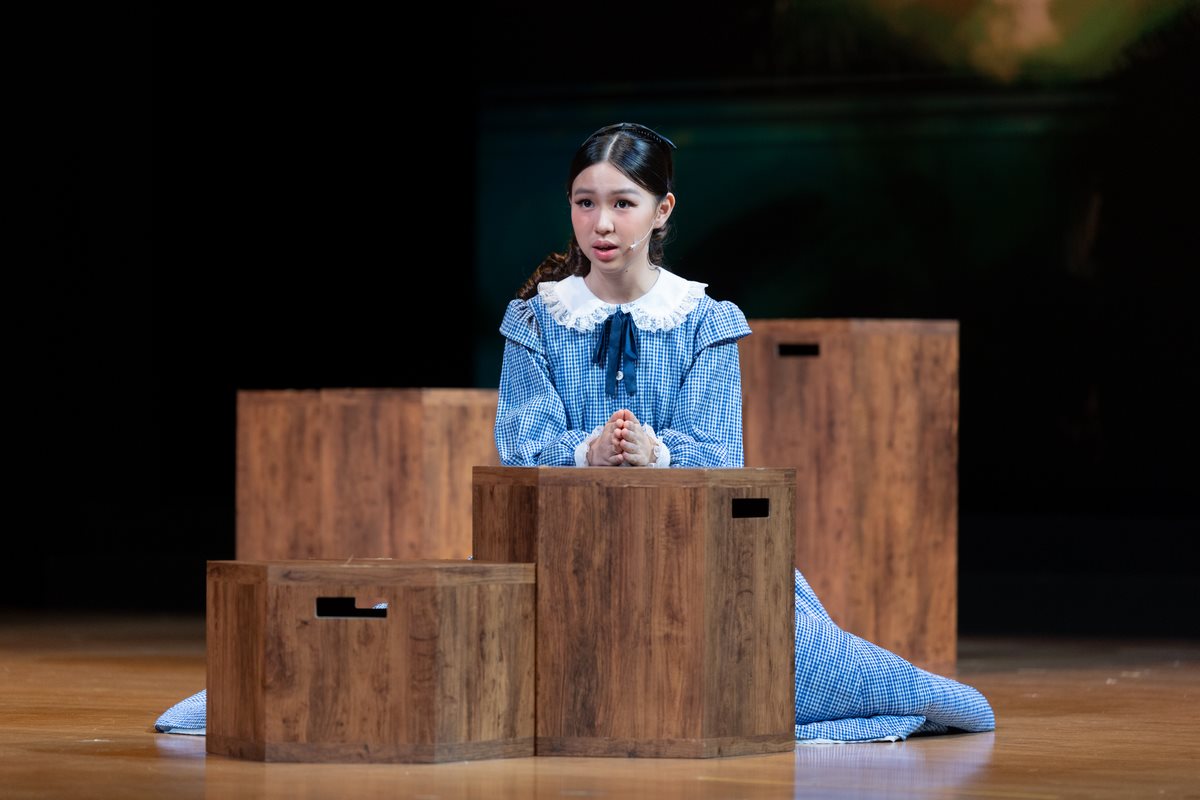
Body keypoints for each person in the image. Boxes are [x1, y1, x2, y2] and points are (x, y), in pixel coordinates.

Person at [155, 122, 995, 743]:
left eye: (623, 204)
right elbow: (519, 438)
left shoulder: (704, 321)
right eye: (586, 203)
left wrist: (656, 453)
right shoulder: (537, 319)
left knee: (817, 667)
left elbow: (723, 456)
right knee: (433, 656)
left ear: (661, 210)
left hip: (688, 557)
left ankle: (915, 696)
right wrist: (584, 452)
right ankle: (257, 693)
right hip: (560, 552)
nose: (602, 223)